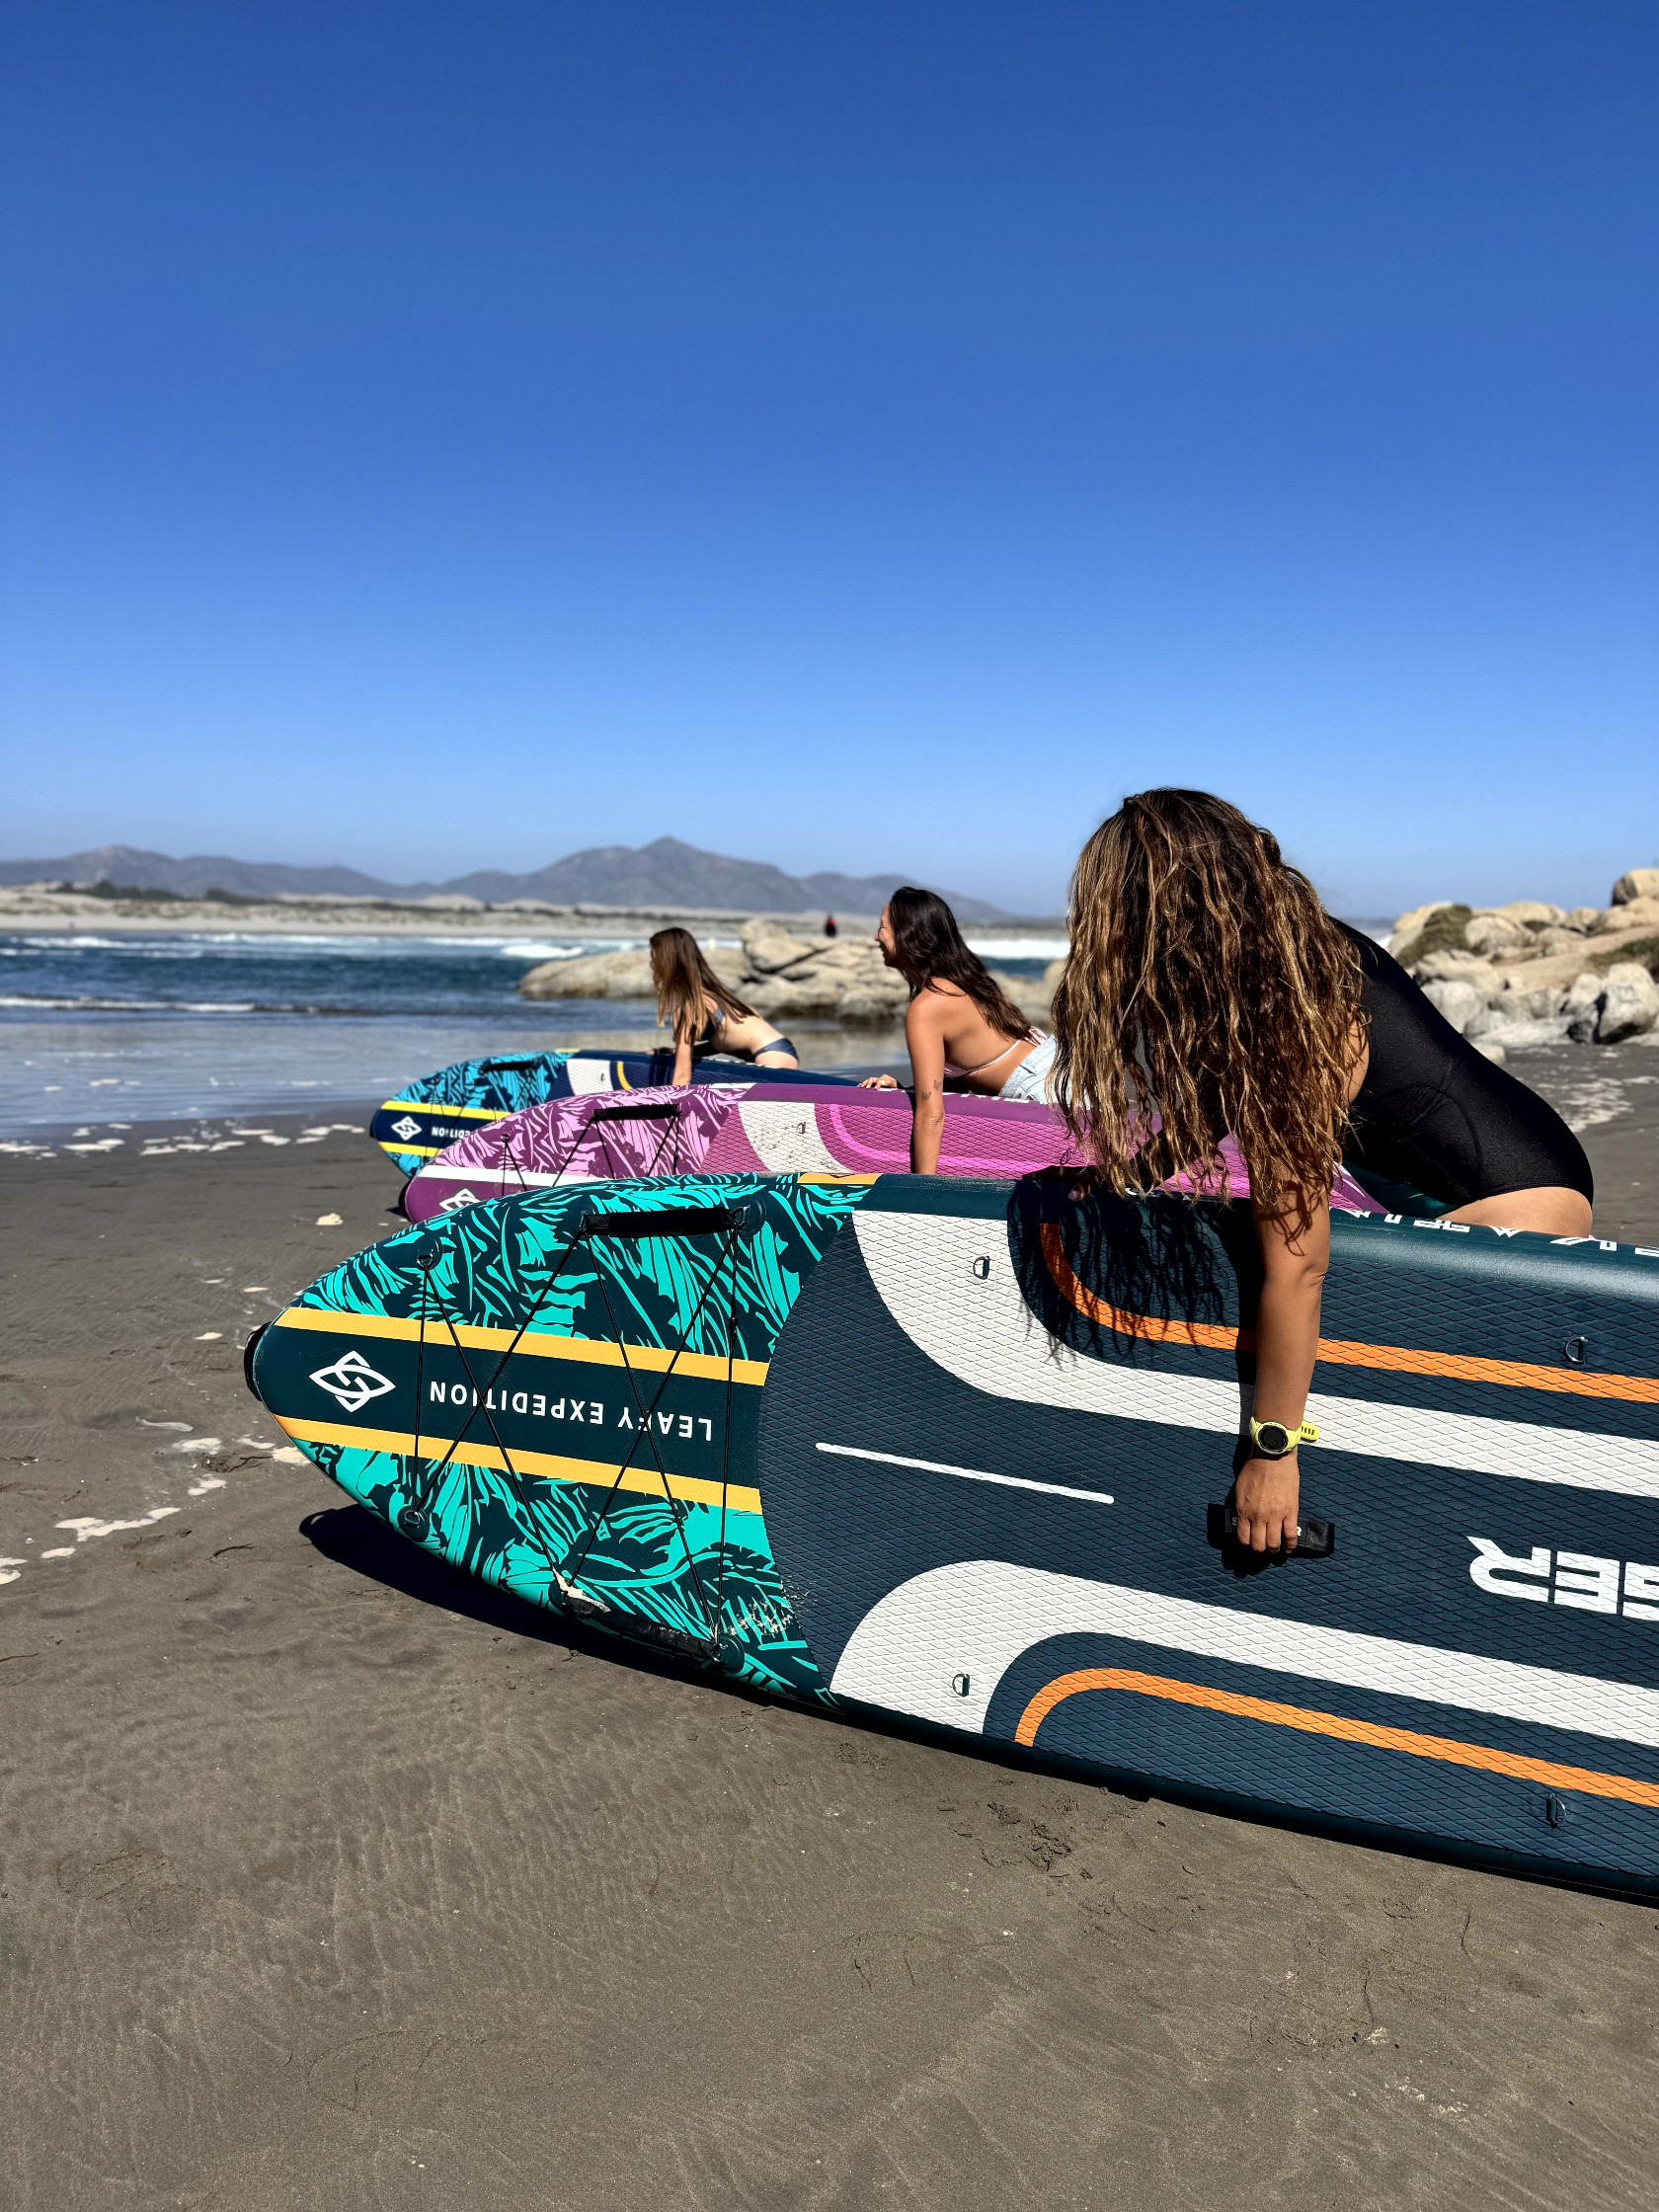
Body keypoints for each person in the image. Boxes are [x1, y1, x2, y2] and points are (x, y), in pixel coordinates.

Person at [1051, 789, 1594, 1556]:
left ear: (1160, 918)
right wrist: (1133, 1174)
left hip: (1526, 1205)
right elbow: (1218, 1101)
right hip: (1490, 1173)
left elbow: (1297, 1264)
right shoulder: (1279, 951)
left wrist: (1272, 1451)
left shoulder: (1290, 1007)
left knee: (1309, 1288)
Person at [858, 887, 1053, 1172]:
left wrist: (923, 1196)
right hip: (1061, 1078)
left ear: (906, 933)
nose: (876, 936)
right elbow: (970, 1073)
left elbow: (931, 1114)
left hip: (1049, 1096)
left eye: (882, 927)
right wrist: (906, 1092)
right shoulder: (966, 982)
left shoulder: (928, 1006)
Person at [649, 926, 799, 1085]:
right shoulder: (706, 994)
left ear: (667, 962)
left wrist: (670, 1107)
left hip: (770, 1057)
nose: (652, 964)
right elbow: (723, 1040)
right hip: (778, 1051)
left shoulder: (688, 1007)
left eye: (654, 957)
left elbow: (682, 1076)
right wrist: (666, 1052)